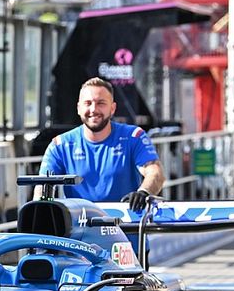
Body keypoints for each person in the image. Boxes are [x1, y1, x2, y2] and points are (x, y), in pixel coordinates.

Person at [34, 77, 164, 211]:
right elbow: (42, 186)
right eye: (88, 103)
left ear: (112, 108)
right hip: (80, 227)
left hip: (126, 225)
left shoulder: (133, 136)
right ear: (78, 108)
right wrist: (40, 212)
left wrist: (144, 192)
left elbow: (155, 172)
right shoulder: (60, 145)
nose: (93, 109)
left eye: (101, 103)